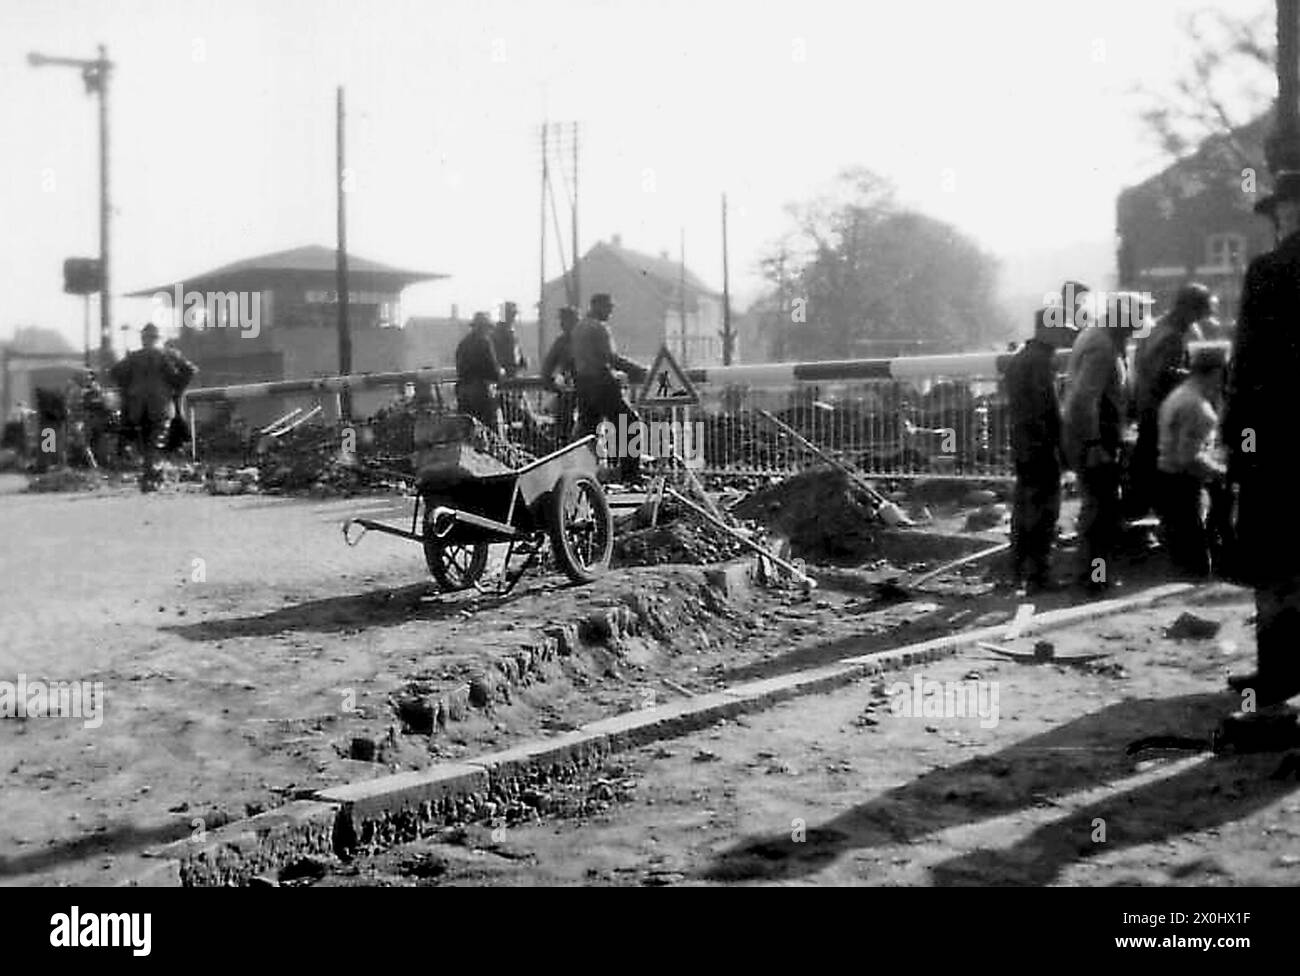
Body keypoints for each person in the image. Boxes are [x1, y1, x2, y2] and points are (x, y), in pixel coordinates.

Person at [1221, 169, 1300, 706]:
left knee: (1275, 561)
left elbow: (1247, 366)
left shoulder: (1270, 271)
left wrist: (1240, 441)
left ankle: (1279, 673)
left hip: (1277, 443)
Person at [1061, 291, 1146, 591]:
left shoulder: (1104, 339)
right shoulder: (1102, 346)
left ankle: (1096, 575)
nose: (1142, 322)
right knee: (1100, 513)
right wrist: (1095, 443)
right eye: (1138, 315)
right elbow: (1085, 398)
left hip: (1097, 437)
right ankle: (1094, 578)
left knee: (1100, 510)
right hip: (1094, 441)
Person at [1130, 283, 1216, 517]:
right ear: (1188, 308)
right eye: (1198, 313)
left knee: (1147, 469)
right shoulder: (1170, 336)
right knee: (1162, 473)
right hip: (1160, 412)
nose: (1198, 319)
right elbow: (1163, 375)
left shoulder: (1157, 328)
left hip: (1149, 409)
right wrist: (1196, 376)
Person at [1004, 308, 1066, 593]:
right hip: (1041, 445)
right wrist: (1061, 445)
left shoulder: (1019, 360)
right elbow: (1047, 409)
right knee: (1044, 512)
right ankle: (1039, 574)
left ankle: (1017, 569)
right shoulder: (1041, 362)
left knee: (1024, 507)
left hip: (1022, 444)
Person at [1154, 347, 1227, 579]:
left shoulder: (1178, 395)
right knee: (1195, 563)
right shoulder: (1198, 408)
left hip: (1166, 479)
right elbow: (1188, 458)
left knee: (1180, 554)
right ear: (1215, 372)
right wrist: (1223, 472)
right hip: (1184, 486)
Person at [109, 323, 197, 491]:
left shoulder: (133, 357)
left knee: (145, 441)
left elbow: (115, 373)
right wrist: (177, 388)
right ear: (158, 338)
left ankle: (149, 476)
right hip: (161, 405)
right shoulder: (168, 355)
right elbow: (190, 370)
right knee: (156, 442)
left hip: (136, 407)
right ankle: (152, 476)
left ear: (143, 339)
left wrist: (129, 389)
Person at [570, 293, 646, 482]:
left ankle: (582, 473)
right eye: (608, 307)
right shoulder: (599, 328)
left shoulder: (579, 328)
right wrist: (637, 370)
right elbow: (609, 357)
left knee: (587, 430)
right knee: (629, 423)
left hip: (584, 384)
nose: (610, 312)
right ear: (597, 306)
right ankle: (630, 474)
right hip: (602, 382)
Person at [454, 312, 502, 432]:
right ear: (485, 327)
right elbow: (493, 370)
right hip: (480, 392)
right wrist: (501, 373)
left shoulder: (463, 344)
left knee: (468, 428)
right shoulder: (484, 342)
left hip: (463, 391)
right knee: (489, 429)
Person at [541, 306, 580, 445]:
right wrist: (553, 385)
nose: (562, 324)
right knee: (566, 428)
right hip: (570, 392)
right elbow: (547, 367)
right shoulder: (562, 342)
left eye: (565, 320)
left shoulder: (582, 340)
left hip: (585, 391)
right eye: (562, 321)